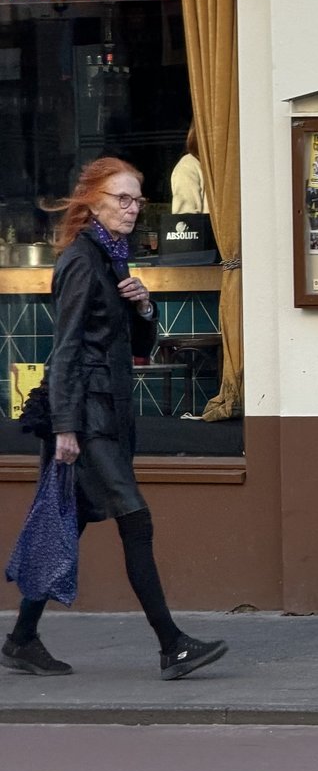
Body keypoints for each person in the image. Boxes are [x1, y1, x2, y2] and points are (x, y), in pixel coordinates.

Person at [2, 157, 228, 681]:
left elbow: (138, 347)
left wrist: (144, 307)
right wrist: (64, 427)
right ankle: (173, 645)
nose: (132, 208)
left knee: (73, 519)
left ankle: (20, 639)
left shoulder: (114, 258)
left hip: (110, 409)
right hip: (88, 415)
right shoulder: (83, 260)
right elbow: (65, 350)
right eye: (121, 199)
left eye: (136, 200)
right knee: (135, 517)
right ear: (91, 203)